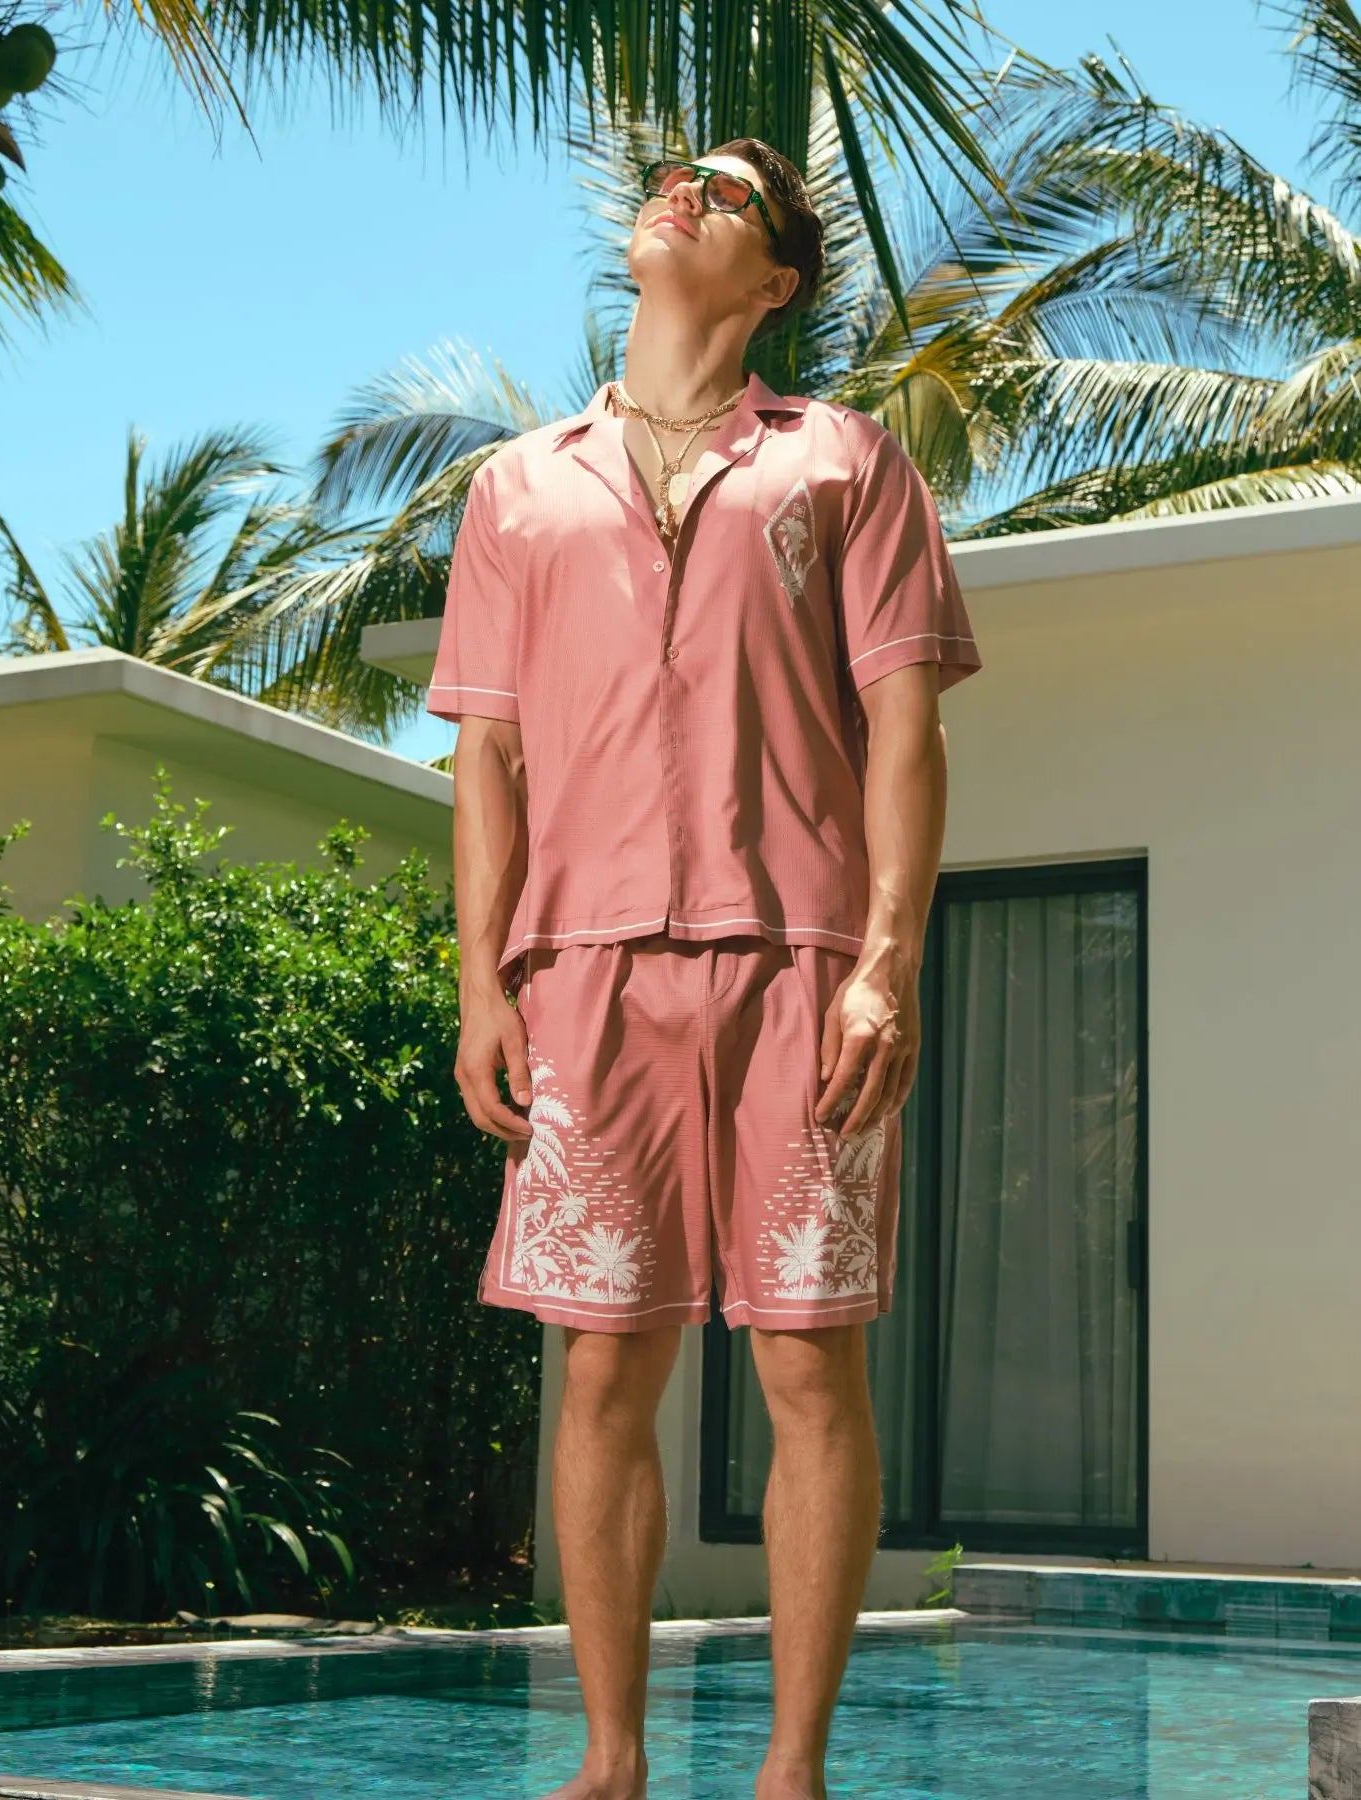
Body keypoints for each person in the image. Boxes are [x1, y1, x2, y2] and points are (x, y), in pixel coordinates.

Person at [425, 139, 983, 1800]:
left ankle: (792, 1772)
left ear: (776, 282)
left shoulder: (844, 462)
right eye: (675, 177)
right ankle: (610, 1762)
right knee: (607, 1359)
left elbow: (904, 729)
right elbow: (487, 763)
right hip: (585, 969)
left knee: (809, 1359)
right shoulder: (516, 487)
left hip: (805, 960)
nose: (686, 191)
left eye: (730, 192)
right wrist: (481, 983)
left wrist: (888, 957)